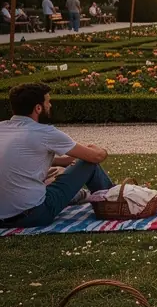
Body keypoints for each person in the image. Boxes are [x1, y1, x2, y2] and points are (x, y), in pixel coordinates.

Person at [0, 83, 114, 228]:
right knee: (88, 164)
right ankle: (111, 200)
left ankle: (81, 195)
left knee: (52, 180)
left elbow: (17, 159)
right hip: (33, 215)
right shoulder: (44, 132)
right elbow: (95, 157)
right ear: (38, 108)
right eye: (48, 101)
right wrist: (100, 149)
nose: (50, 105)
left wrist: (59, 162)